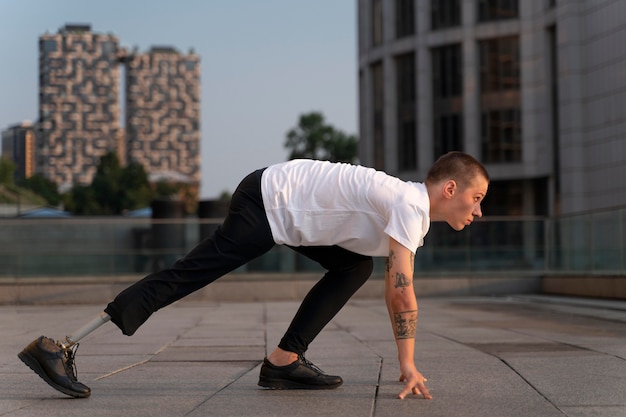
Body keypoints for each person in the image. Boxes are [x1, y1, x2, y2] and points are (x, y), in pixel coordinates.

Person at [18, 151, 489, 400]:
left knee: (353, 266)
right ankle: (55, 348)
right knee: (190, 274)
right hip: (267, 201)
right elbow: (401, 295)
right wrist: (407, 364)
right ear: (451, 189)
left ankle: (284, 361)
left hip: (283, 204)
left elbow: (394, 286)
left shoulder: (410, 210)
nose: (479, 211)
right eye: (477, 198)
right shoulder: (410, 204)